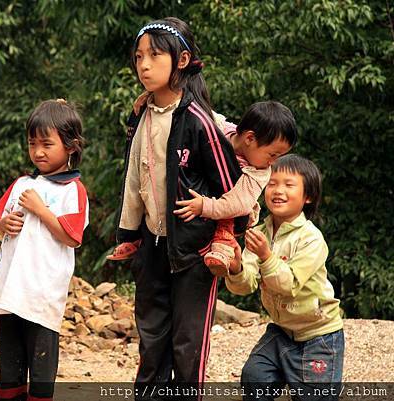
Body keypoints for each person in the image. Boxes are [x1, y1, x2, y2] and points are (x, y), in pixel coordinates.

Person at [111, 17, 249, 396]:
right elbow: (134, 179)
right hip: (152, 245)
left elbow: (231, 188)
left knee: (187, 348)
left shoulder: (198, 121)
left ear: (182, 60)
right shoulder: (140, 114)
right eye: (138, 57)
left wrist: (225, 236)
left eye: (155, 56)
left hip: (194, 252)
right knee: (151, 343)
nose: (144, 65)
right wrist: (129, 235)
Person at [0, 99, 88, 401]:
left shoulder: (73, 190)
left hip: (43, 296)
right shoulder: (21, 184)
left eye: (47, 144)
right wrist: (4, 224)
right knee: (9, 370)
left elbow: (72, 237)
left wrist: (42, 210)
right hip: (11, 291)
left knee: (42, 369)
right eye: (33, 143)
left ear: (71, 146)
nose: (38, 152)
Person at [226, 154, 344, 401]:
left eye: (289, 185)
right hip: (281, 331)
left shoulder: (311, 239)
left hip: (319, 335)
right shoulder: (259, 233)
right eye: (272, 183)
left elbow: (288, 285)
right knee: (254, 377)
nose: (278, 190)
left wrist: (266, 256)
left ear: (307, 196)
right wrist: (236, 268)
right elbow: (246, 285)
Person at [174, 101, 297, 277]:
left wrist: (205, 207)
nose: (274, 162)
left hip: (230, 210)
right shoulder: (219, 131)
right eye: (273, 154)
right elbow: (203, 113)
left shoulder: (260, 171)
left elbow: (238, 204)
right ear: (249, 138)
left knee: (228, 221)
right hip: (203, 191)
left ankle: (223, 250)